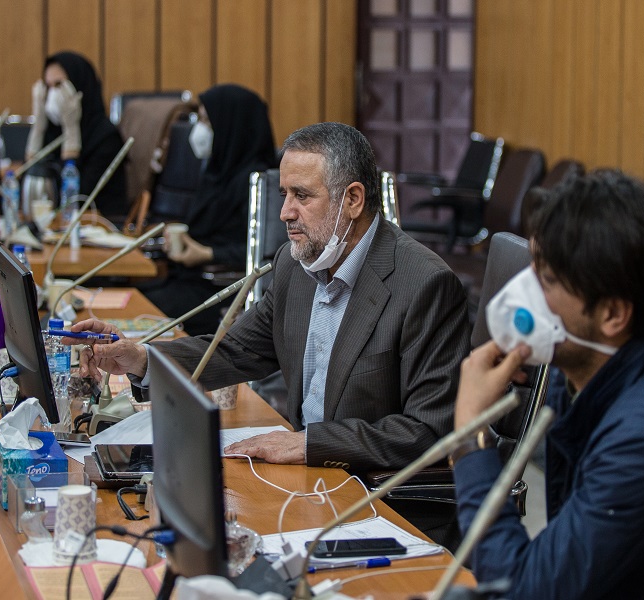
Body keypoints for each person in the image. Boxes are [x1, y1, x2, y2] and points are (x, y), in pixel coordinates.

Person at [69, 122, 471, 471]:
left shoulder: (424, 285)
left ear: (352, 200)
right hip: (305, 477)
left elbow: (428, 431)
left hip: (371, 491)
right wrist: (140, 359)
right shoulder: (295, 265)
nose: (285, 213)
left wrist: (309, 444)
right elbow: (235, 351)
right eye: (284, 195)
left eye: (302, 196)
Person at [451, 171, 644, 598]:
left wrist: (470, 438)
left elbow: (525, 591)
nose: (524, 290)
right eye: (533, 267)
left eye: (548, 280)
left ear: (612, 315)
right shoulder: (580, 367)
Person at [140, 84, 277, 335]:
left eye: (206, 121)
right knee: (135, 297)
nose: (198, 130)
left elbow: (265, 253)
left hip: (222, 292)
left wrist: (206, 253)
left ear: (230, 126)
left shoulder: (258, 182)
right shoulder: (217, 170)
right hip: (188, 280)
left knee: (141, 308)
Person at [25, 51, 128, 221]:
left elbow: (75, 200)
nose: (52, 95)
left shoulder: (106, 137)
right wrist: (38, 130)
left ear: (80, 86)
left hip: (99, 225)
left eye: (59, 85)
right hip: (57, 226)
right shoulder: (52, 132)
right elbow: (30, 191)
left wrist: (72, 133)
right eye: (48, 87)